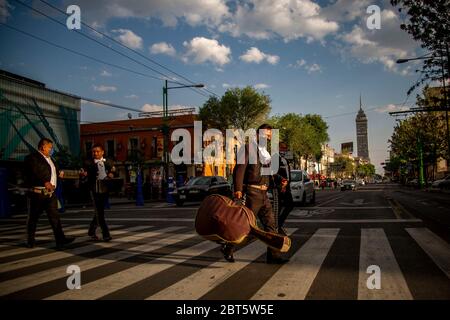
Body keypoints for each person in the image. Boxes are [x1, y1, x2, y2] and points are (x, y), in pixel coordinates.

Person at [231, 124, 289, 264]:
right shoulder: (247, 149)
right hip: (252, 193)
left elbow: (269, 172)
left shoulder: (264, 152)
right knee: (245, 226)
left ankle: (273, 256)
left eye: (269, 137)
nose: (268, 138)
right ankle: (228, 247)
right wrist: (238, 189)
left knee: (271, 225)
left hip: (264, 195)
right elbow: (239, 169)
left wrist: (281, 179)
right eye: (266, 135)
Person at [24, 138, 75, 249]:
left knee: (55, 217)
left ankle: (60, 240)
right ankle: (30, 240)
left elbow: (52, 172)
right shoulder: (32, 158)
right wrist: (44, 181)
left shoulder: (51, 159)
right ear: (43, 147)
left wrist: (58, 174)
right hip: (38, 193)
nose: (52, 150)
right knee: (33, 217)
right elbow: (35, 171)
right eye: (50, 148)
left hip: (51, 193)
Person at [81, 143, 115, 241]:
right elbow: (84, 174)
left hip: (105, 188)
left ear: (102, 152)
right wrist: (83, 174)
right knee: (100, 212)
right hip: (94, 189)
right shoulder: (88, 163)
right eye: (94, 152)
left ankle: (91, 230)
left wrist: (111, 173)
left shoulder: (108, 161)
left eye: (97, 151)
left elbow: (113, 170)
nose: (95, 153)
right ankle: (106, 234)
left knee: (99, 211)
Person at [273, 153, 293, 235]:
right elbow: (273, 172)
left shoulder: (284, 159)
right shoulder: (275, 157)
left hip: (286, 186)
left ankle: (278, 225)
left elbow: (287, 173)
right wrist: (282, 183)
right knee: (280, 206)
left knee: (287, 205)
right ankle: (277, 226)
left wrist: (287, 184)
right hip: (280, 186)